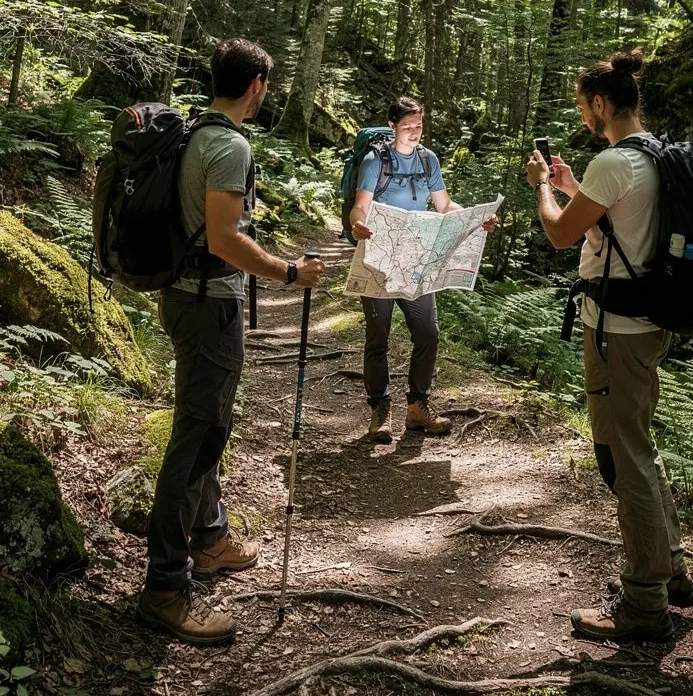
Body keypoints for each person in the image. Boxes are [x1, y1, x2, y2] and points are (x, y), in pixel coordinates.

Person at [137, 38, 325, 647]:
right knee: (196, 439)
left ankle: (210, 538)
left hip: (191, 301)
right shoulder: (229, 145)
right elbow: (223, 239)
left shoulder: (196, 132)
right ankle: (165, 589)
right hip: (206, 307)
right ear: (256, 87)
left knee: (208, 423)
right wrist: (289, 273)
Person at [527, 49, 693, 644]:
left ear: (601, 104)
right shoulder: (656, 155)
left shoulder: (612, 160)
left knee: (621, 458)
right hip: (650, 320)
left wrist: (544, 192)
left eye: (584, 107)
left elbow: (557, 233)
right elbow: (623, 225)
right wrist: (575, 187)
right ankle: (672, 570)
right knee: (637, 447)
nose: (583, 118)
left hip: (617, 331)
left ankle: (644, 602)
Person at [349, 95, 499, 443]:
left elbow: (444, 205)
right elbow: (360, 207)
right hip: (380, 257)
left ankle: (417, 406)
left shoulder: (428, 159)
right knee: (378, 338)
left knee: (428, 333)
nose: (415, 132)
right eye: (408, 127)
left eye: (419, 126)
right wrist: (358, 225)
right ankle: (379, 410)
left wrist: (475, 219)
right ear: (393, 127)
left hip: (417, 260)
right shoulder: (376, 160)